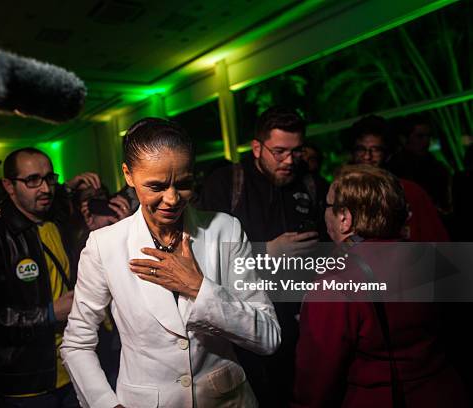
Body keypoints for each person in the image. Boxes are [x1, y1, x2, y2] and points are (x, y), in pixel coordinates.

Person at [61, 118, 281, 408]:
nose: (173, 198)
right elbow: (77, 343)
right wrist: (106, 404)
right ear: (128, 175)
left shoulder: (225, 230)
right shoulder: (105, 245)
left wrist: (199, 289)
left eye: (184, 184)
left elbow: (268, 336)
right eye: (156, 186)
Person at [0, 148, 128, 407]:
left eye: (49, 179)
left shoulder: (58, 221)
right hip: (26, 386)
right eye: (32, 180)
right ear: (9, 185)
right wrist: (48, 314)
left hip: (76, 371)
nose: (45, 188)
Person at [292, 165, 469, 408]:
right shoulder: (432, 257)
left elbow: (317, 375)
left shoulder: (337, 282)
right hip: (446, 391)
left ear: (345, 218)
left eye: (328, 206)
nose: (326, 214)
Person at [198, 106, 326, 406]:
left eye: (296, 151)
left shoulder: (312, 184)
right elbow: (205, 256)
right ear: (257, 147)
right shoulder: (225, 184)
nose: (289, 161)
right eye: (279, 151)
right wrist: (268, 251)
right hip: (244, 327)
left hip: (303, 324)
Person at [347, 115, 449, 242]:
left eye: (376, 150)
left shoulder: (409, 190)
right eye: (361, 149)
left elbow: (435, 237)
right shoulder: (342, 194)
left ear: (387, 154)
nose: (367, 156)